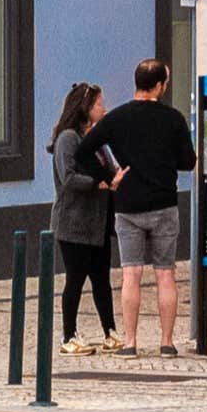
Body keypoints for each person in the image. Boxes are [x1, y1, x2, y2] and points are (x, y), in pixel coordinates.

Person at [74, 58, 199, 355]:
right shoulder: (173, 119)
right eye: (165, 83)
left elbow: (83, 151)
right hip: (164, 205)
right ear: (158, 86)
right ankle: (167, 342)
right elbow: (188, 162)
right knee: (165, 274)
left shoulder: (116, 118)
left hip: (128, 205)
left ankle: (130, 342)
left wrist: (110, 176)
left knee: (131, 275)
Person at [46, 83, 120, 354]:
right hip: (74, 222)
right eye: (100, 103)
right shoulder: (68, 138)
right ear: (86, 109)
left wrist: (115, 178)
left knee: (101, 279)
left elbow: (109, 169)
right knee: (75, 279)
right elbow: (68, 177)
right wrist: (97, 184)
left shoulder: (97, 142)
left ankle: (110, 331)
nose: (104, 107)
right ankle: (68, 335)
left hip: (98, 221)